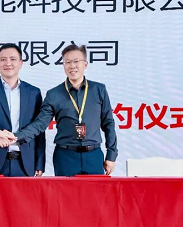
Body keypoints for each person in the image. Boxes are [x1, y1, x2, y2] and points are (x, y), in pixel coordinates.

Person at [15, 44, 117, 176]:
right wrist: (17, 136)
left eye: (76, 61)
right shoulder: (54, 94)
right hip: (65, 157)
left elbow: (108, 123)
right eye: (67, 62)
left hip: (94, 155)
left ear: (85, 64)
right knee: (64, 190)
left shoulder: (99, 90)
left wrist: (111, 155)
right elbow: (40, 124)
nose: (72, 66)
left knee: (95, 190)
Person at [0, 43, 46, 177]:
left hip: (25, 163)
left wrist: (39, 163)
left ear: (20, 63)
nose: (8, 63)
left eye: (13, 59)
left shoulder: (33, 92)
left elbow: (39, 129)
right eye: (3, 59)